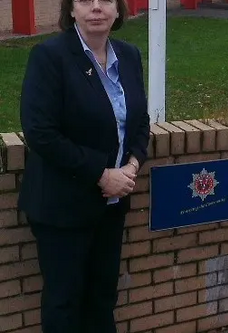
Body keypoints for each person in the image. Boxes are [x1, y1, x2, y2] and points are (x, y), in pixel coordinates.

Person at [18, 0, 150, 332]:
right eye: (84, 0)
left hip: (112, 206)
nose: (95, 8)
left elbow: (140, 123)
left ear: (118, 10)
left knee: (103, 299)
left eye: (105, 0)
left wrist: (132, 165)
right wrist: (102, 173)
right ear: (71, 10)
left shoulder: (130, 56)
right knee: (65, 304)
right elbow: (40, 132)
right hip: (62, 207)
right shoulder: (50, 57)